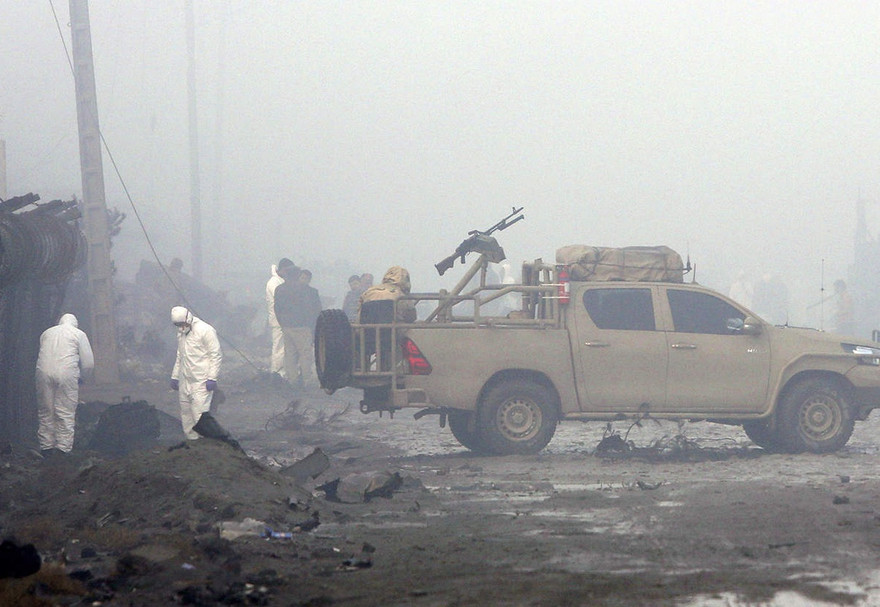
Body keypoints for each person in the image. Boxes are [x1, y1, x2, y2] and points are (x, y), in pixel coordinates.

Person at [35, 313, 94, 456]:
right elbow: (88, 364)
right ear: (75, 324)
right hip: (67, 373)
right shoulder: (79, 334)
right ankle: (63, 449)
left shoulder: (46, 333)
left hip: (42, 373)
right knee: (65, 411)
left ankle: (46, 448)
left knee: (46, 410)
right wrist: (83, 378)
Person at [170, 306, 222, 439]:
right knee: (186, 413)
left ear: (188, 319)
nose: (181, 327)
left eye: (182, 324)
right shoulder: (181, 333)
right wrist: (175, 376)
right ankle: (192, 441)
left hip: (201, 380)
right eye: (178, 325)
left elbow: (215, 355)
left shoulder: (205, 330)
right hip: (185, 379)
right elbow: (180, 355)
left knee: (199, 415)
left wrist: (212, 378)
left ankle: (207, 442)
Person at [274, 265, 322, 388]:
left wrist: (282, 324)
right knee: (305, 354)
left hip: (286, 326)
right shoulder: (306, 290)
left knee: (290, 354)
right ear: (297, 275)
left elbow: (277, 309)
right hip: (303, 327)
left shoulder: (279, 289)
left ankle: (292, 380)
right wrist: (312, 326)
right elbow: (313, 310)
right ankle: (306, 380)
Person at [266, 258, 295, 378]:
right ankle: (277, 372)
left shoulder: (281, 281)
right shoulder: (273, 283)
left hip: (285, 320)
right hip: (278, 321)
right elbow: (282, 300)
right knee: (279, 348)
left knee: (285, 348)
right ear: (283, 270)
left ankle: (283, 372)